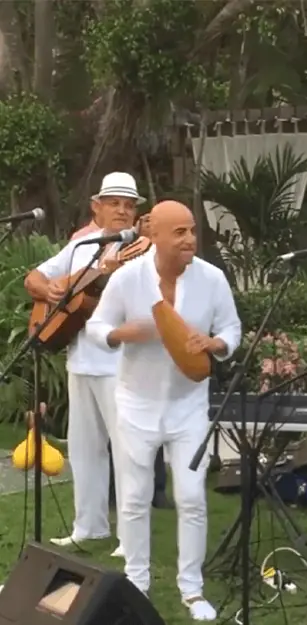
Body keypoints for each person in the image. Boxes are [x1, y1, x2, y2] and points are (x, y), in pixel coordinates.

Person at [86, 200, 241, 620]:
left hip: (189, 406)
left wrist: (215, 344)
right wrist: (121, 333)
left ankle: (192, 589)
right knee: (134, 498)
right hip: (136, 404)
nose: (190, 239)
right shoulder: (127, 278)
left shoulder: (212, 278)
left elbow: (232, 328)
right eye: (180, 232)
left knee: (191, 497)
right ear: (153, 235)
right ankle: (136, 584)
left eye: (192, 230)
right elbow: (96, 327)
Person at [24, 172, 146, 557]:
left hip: (121, 365)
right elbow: (34, 278)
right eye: (114, 203)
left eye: (128, 205)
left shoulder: (140, 249)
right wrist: (51, 291)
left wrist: (101, 285)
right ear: (97, 207)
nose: (122, 211)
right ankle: (88, 527)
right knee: (83, 450)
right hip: (80, 360)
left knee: (127, 452)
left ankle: (131, 537)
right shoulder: (81, 244)